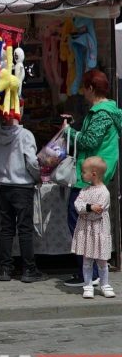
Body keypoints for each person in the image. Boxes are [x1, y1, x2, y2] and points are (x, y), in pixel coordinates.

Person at [61, 69, 122, 287]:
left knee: (78, 221)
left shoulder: (101, 113)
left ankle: (91, 272)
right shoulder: (109, 111)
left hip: (90, 175)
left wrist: (68, 132)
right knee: (89, 224)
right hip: (96, 174)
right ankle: (92, 271)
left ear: (90, 88)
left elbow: (88, 141)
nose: (83, 93)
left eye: (84, 88)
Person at [0, 118, 46, 283]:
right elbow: (32, 162)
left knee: (6, 228)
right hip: (22, 187)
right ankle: (29, 269)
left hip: (5, 186)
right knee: (24, 229)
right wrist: (38, 177)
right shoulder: (25, 135)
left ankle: (5, 269)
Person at [71, 156, 115, 299]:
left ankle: (105, 284)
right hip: (86, 231)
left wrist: (86, 211)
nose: (81, 174)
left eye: (84, 172)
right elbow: (77, 205)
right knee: (87, 259)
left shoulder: (104, 192)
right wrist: (89, 207)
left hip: (99, 230)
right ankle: (88, 284)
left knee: (102, 259)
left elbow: (98, 212)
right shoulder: (84, 191)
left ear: (93, 173)